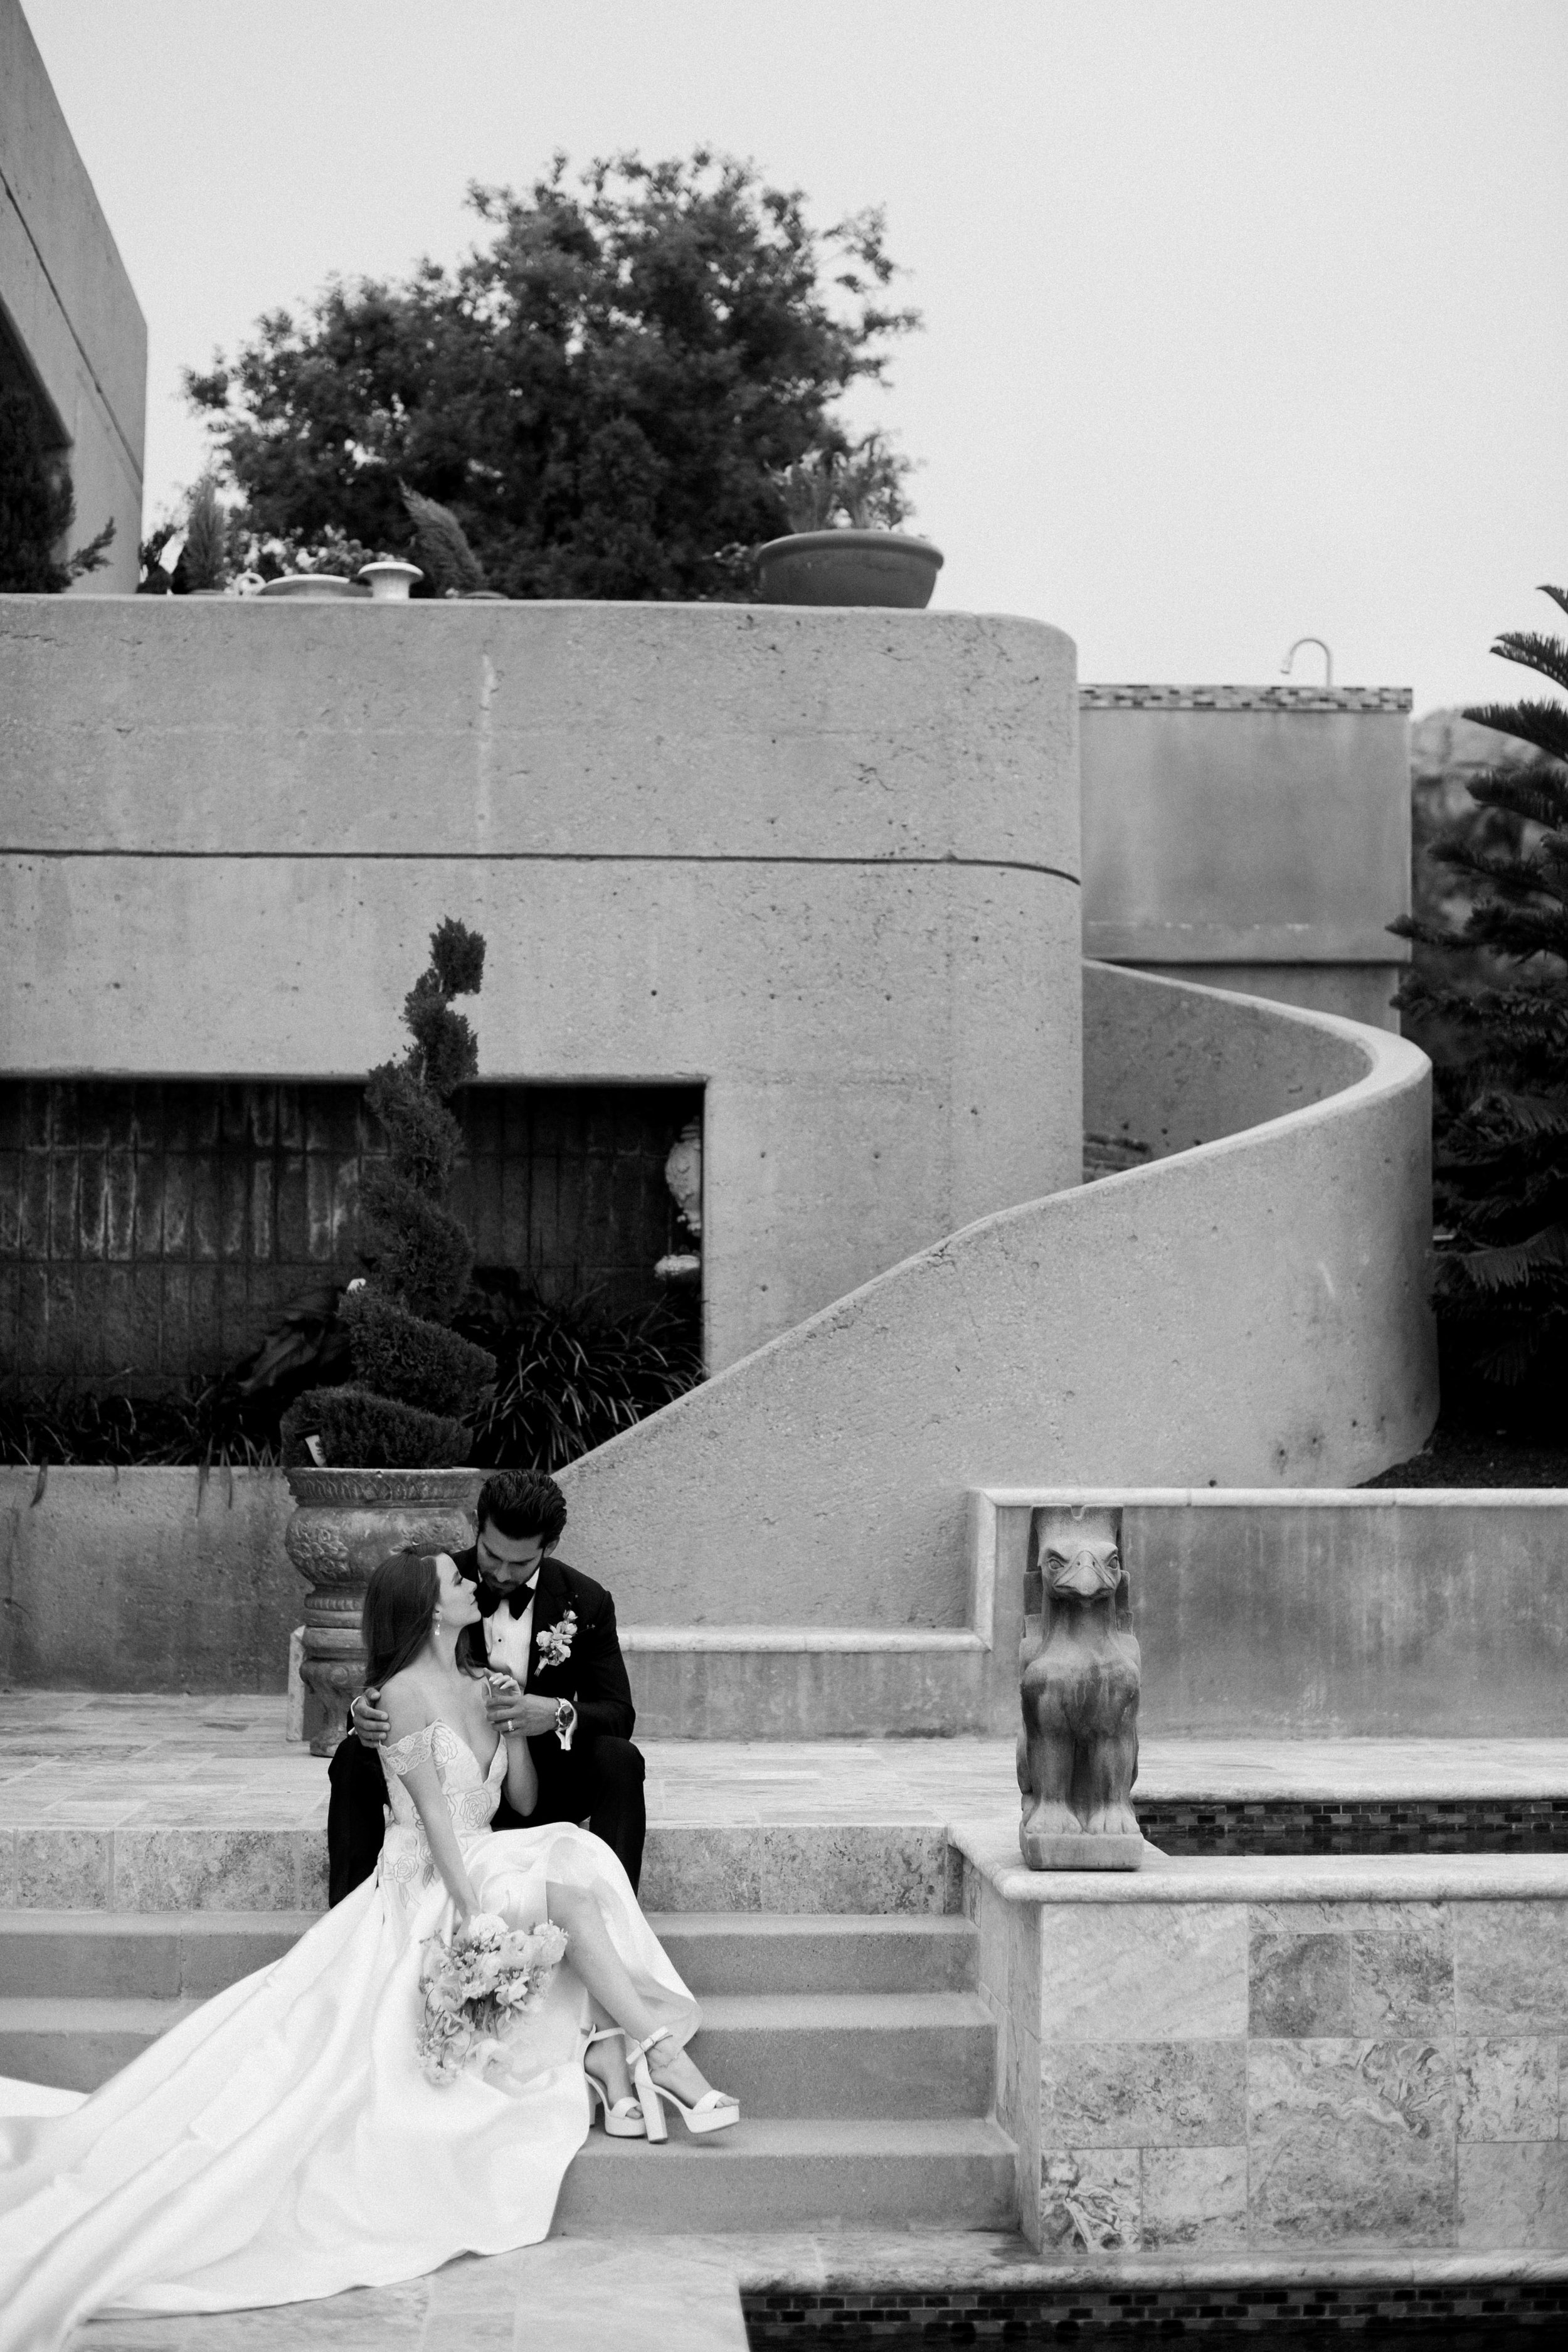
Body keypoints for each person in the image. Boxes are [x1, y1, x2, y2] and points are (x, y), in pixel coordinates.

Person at [0, 1549, 737, 2352]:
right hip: (432, 1875)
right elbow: (436, 1828)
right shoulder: (394, 1699)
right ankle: (652, 2053)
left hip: (486, 1847)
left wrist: (508, 1722)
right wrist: (472, 1921)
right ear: (426, 1608)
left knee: (577, 1866)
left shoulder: (473, 1682)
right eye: (457, 1583)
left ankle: (626, 2049)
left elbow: (519, 1802)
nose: (471, 1586)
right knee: (567, 1885)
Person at [329, 1470, 645, 1903]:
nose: (498, 1573)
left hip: (539, 1784)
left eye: (519, 1563)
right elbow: (391, 1670)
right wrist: (361, 1713)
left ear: (548, 1548)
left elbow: (618, 1713)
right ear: (479, 1529)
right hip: (441, 1792)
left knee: (620, 1759)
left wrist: (552, 1713)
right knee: (353, 1756)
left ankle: (617, 1914)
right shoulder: (436, 1580)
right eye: (492, 1554)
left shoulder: (585, 1600)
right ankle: (350, 1913)